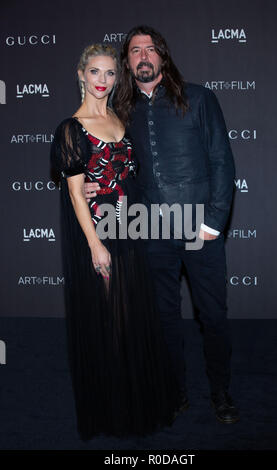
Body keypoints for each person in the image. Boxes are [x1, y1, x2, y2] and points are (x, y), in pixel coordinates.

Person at [84, 26, 240, 424]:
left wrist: (214, 222)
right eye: (135, 51)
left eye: (150, 49)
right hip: (150, 228)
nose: (143, 56)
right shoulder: (123, 111)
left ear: (162, 55)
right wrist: (93, 185)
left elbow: (222, 160)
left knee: (213, 316)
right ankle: (176, 390)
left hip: (199, 228)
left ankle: (221, 391)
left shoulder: (199, 97)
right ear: (127, 63)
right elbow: (118, 169)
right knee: (163, 319)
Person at [50, 43, 182, 441]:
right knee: (110, 321)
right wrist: (94, 245)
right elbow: (75, 193)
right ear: (81, 75)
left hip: (130, 229)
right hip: (99, 234)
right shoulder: (71, 127)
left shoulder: (120, 118)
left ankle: (137, 398)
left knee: (133, 318)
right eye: (95, 72)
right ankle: (114, 410)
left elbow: (129, 175)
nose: (103, 80)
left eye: (110, 73)